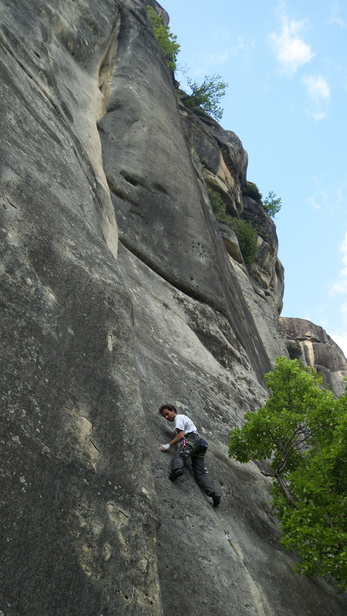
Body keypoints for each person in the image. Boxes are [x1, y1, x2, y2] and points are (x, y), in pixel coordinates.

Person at [159, 404, 221, 507]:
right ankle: (214, 494)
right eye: (164, 416)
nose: (167, 417)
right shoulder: (183, 419)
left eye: (167, 414)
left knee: (179, 456)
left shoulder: (178, 418)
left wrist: (168, 445)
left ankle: (177, 470)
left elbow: (181, 435)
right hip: (200, 444)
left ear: (173, 410)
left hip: (192, 439)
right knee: (200, 472)